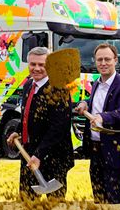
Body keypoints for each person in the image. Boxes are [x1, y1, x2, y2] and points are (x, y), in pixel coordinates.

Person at [6, 46, 73, 200]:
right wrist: (19, 131)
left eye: (41, 65)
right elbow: (26, 115)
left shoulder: (59, 89)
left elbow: (59, 128)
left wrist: (39, 154)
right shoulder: (29, 85)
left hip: (54, 157)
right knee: (27, 204)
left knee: (55, 207)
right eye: (33, 64)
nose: (36, 68)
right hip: (29, 156)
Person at [75, 43, 120, 204]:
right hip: (95, 149)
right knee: (99, 197)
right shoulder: (96, 84)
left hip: (115, 150)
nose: (103, 63)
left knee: (115, 198)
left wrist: (103, 117)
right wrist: (85, 103)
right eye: (99, 59)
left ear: (115, 60)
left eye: (107, 59)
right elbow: (97, 102)